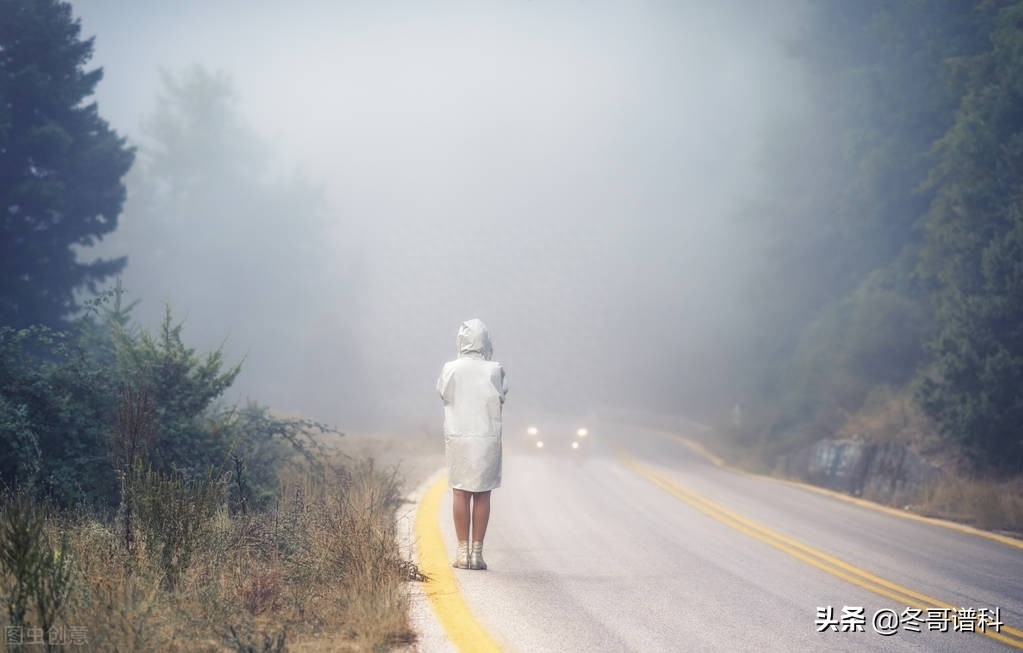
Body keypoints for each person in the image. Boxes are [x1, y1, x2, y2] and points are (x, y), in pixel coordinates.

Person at [436, 318, 508, 570]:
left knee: (460, 491)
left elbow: (443, 393)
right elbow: (502, 395)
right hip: (486, 437)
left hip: (459, 436)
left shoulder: (450, 369)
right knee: (482, 494)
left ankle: (461, 552)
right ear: (486, 341)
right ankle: (477, 554)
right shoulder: (494, 369)